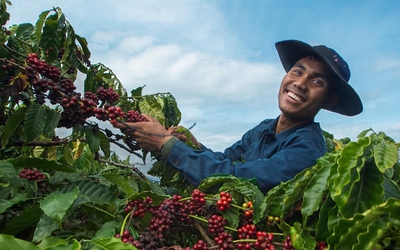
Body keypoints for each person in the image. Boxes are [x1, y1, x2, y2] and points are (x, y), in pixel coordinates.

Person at [116, 39, 363, 193]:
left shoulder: (307, 150)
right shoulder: (265, 128)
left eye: (316, 81)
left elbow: (236, 180)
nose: (299, 83)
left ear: (329, 100)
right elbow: (226, 160)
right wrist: (193, 144)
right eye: (297, 71)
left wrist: (164, 144)